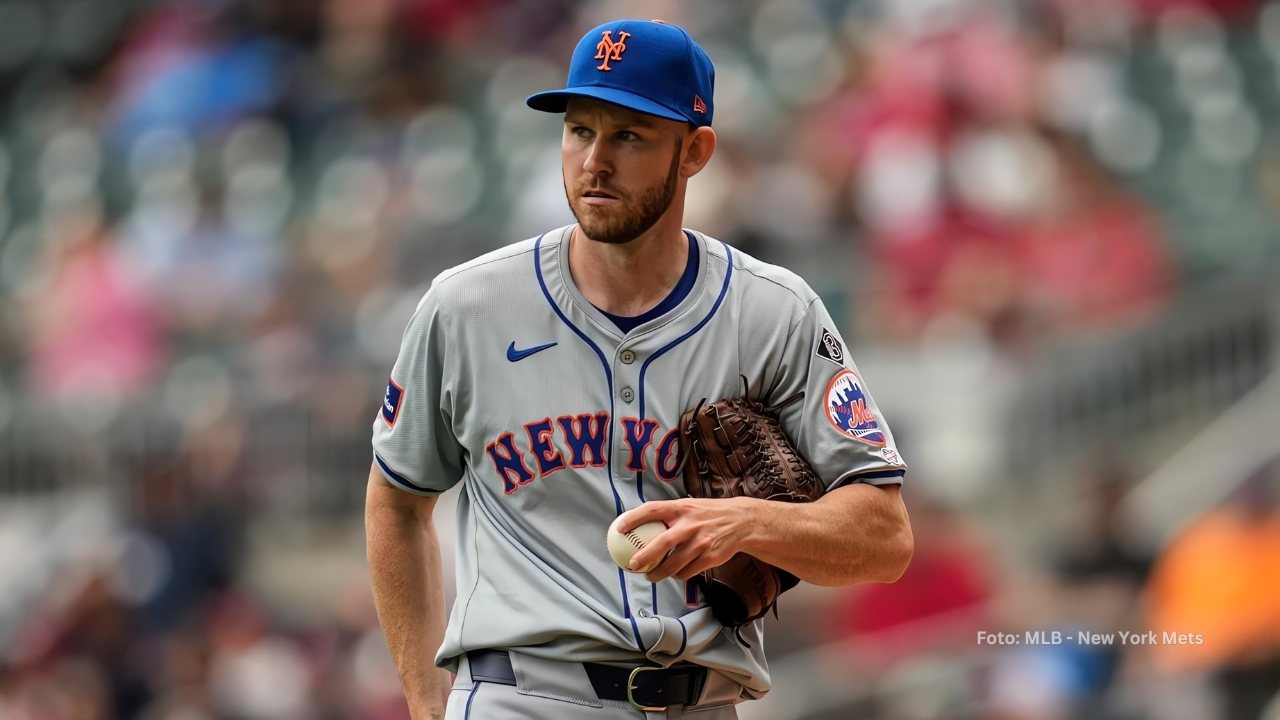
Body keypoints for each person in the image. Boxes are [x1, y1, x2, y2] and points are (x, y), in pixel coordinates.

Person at [364, 19, 913, 720]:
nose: (594, 160)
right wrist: (423, 700)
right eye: (579, 130)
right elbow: (396, 503)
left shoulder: (774, 313)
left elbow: (885, 539)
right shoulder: (466, 307)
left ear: (694, 152)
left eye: (628, 136)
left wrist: (751, 522)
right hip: (521, 697)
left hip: (701, 702)